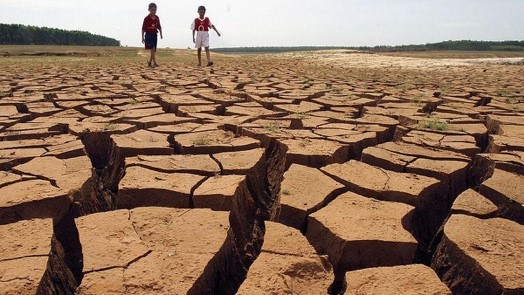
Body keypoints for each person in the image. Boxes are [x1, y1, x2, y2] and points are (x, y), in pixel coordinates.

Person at [142, 3, 163, 67]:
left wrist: (161, 34)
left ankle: (149, 62)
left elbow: (159, 26)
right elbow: (143, 28)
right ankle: (155, 62)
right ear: (149, 10)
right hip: (148, 35)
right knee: (152, 48)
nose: (153, 11)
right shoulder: (146, 18)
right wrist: (142, 37)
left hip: (154, 35)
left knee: (153, 50)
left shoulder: (157, 18)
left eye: (155, 10)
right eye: (152, 10)